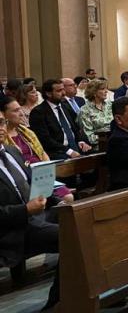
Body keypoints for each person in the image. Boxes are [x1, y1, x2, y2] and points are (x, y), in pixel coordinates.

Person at [0, 108, 61, 310]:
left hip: (33, 218)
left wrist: (55, 200)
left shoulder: (10, 152)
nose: (1, 129)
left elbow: (34, 182)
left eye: (1, 123)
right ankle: (58, 303)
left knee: (79, 220)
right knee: (74, 238)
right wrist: (25, 210)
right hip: (11, 231)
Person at [1, 97, 74, 202]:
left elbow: (42, 153)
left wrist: (48, 175)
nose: (21, 113)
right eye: (15, 111)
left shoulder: (27, 132)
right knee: (62, 199)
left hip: (42, 177)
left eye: (20, 109)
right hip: (25, 181)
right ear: (3, 114)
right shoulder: (3, 139)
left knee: (68, 196)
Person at [29, 79, 92, 160]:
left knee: (95, 154)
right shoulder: (38, 112)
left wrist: (81, 141)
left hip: (75, 146)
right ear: (48, 93)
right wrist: (69, 151)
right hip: (57, 151)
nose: (63, 93)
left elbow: (76, 128)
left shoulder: (65, 106)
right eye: (59, 91)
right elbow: (45, 140)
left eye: (63, 89)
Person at [77, 79, 113, 148]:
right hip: (99, 145)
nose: (106, 91)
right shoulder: (85, 110)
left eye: (106, 89)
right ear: (94, 92)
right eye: (102, 89)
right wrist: (107, 139)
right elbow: (89, 135)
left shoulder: (111, 105)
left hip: (116, 141)